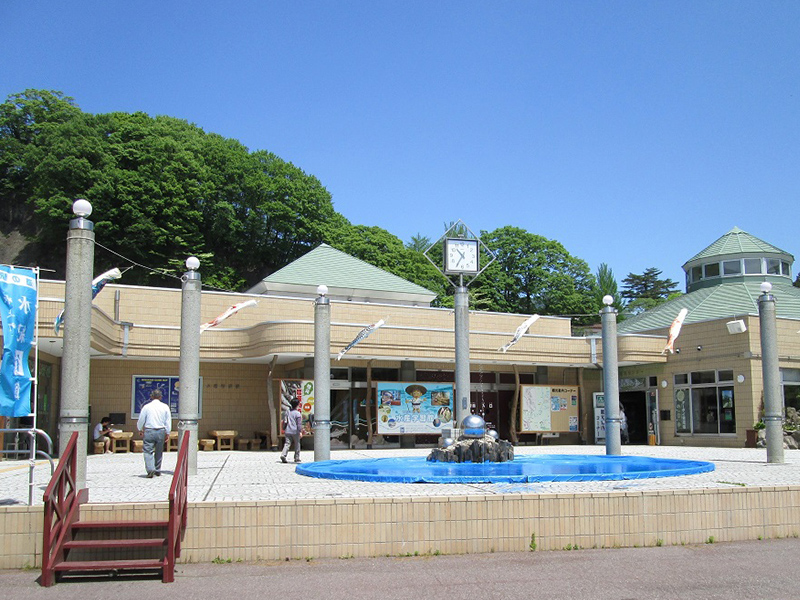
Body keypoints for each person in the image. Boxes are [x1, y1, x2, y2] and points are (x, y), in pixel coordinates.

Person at [137, 389, 172, 478]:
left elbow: (141, 419)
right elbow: (168, 421)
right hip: (161, 430)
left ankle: (150, 469)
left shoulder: (146, 407)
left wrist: (140, 429)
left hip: (149, 430)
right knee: (159, 451)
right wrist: (168, 432)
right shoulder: (165, 407)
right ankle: (157, 469)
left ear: (151, 397)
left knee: (148, 451)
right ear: (160, 397)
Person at [280, 398, 303, 463]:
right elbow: (299, 424)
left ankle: (283, 455)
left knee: (287, 444)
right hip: (295, 431)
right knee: (297, 444)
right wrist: (300, 431)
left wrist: (284, 428)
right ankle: (297, 458)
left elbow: (285, 421)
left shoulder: (288, 412)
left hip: (288, 430)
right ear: (297, 405)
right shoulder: (298, 413)